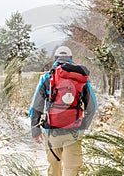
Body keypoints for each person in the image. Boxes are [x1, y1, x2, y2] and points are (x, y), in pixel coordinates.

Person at [29, 46, 97, 176]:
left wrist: (35, 130)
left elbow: (35, 107)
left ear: (55, 58)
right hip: (74, 132)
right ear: (71, 58)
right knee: (71, 170)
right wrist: (83, 126)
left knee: (54, 170)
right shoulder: (81, 77)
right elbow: (92, 108)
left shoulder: (46, 78)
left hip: (52, 131)